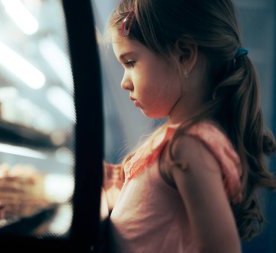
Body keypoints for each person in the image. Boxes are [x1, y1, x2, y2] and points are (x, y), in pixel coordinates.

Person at [103, 0, 276, 252]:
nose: (124, 83)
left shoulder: (189, 148)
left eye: (130, 63)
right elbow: (145, 206)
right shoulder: (174, 142)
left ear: (185, 55)